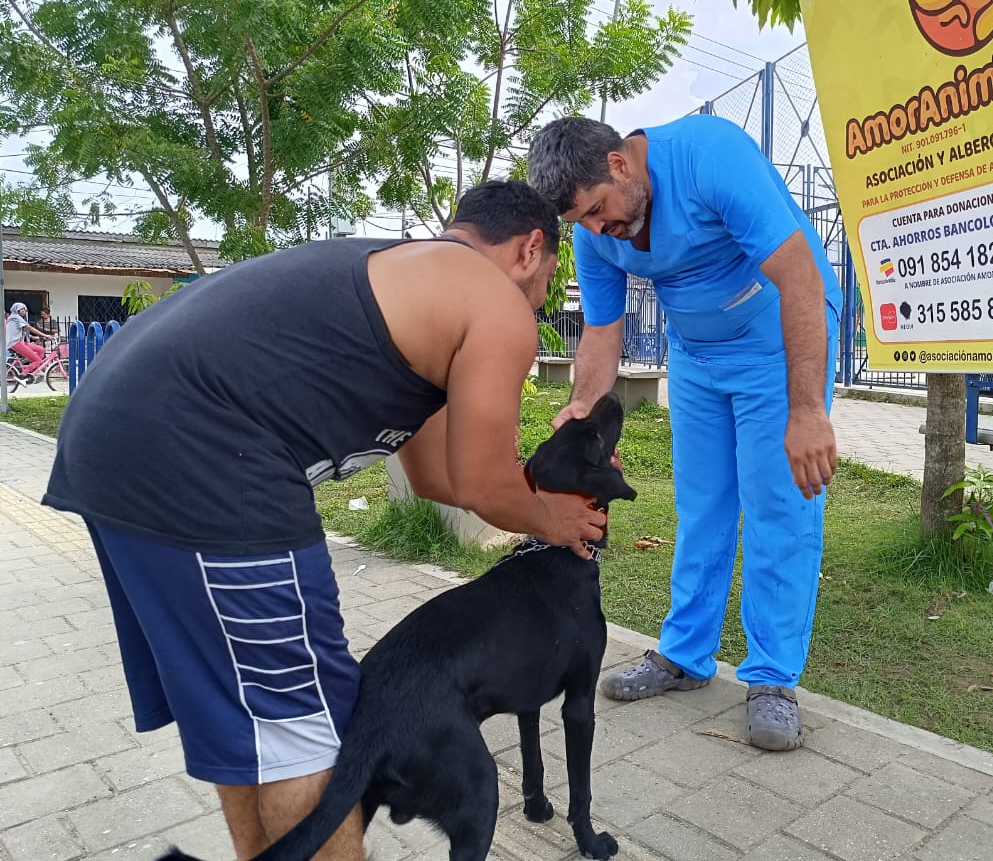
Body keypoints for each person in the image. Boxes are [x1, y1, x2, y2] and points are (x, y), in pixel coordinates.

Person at [43, 180, 606, 861]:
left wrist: (538, 502)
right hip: (207, 461)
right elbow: (487, 485)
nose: (543, 296)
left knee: (254, 720)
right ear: (531, 247)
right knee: (305, 727)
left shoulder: (413, 281)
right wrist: (557, 520)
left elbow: (442, 477)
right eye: (549, 278)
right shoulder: (497, 304)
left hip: (113, 444)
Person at [527, 115, 843, 751]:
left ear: (621, 165)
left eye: (596, 211)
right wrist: (583, 406)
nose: (595, 231)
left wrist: (806, 412)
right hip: (698, 357)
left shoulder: (711, 157)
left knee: (778, 504)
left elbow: (801, 278)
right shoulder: (596, 231)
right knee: (701, 505)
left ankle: (773, 679)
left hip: (776, 341)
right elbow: (602, 328)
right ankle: (685, 656)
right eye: (580, 224)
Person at [5, 302, 47, 382]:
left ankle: (35, 369)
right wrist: (45, 335)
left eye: (25, 309)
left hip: (21, 342)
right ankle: (22, 375)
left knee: (41, 350)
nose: (24, 311)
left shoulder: (15, 318)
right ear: (17, 310)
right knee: (37, 360)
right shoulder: (15, 318)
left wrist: (33, 337)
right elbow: (29, 328)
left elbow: (18, 333)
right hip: (16, 343)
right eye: (22, 309)